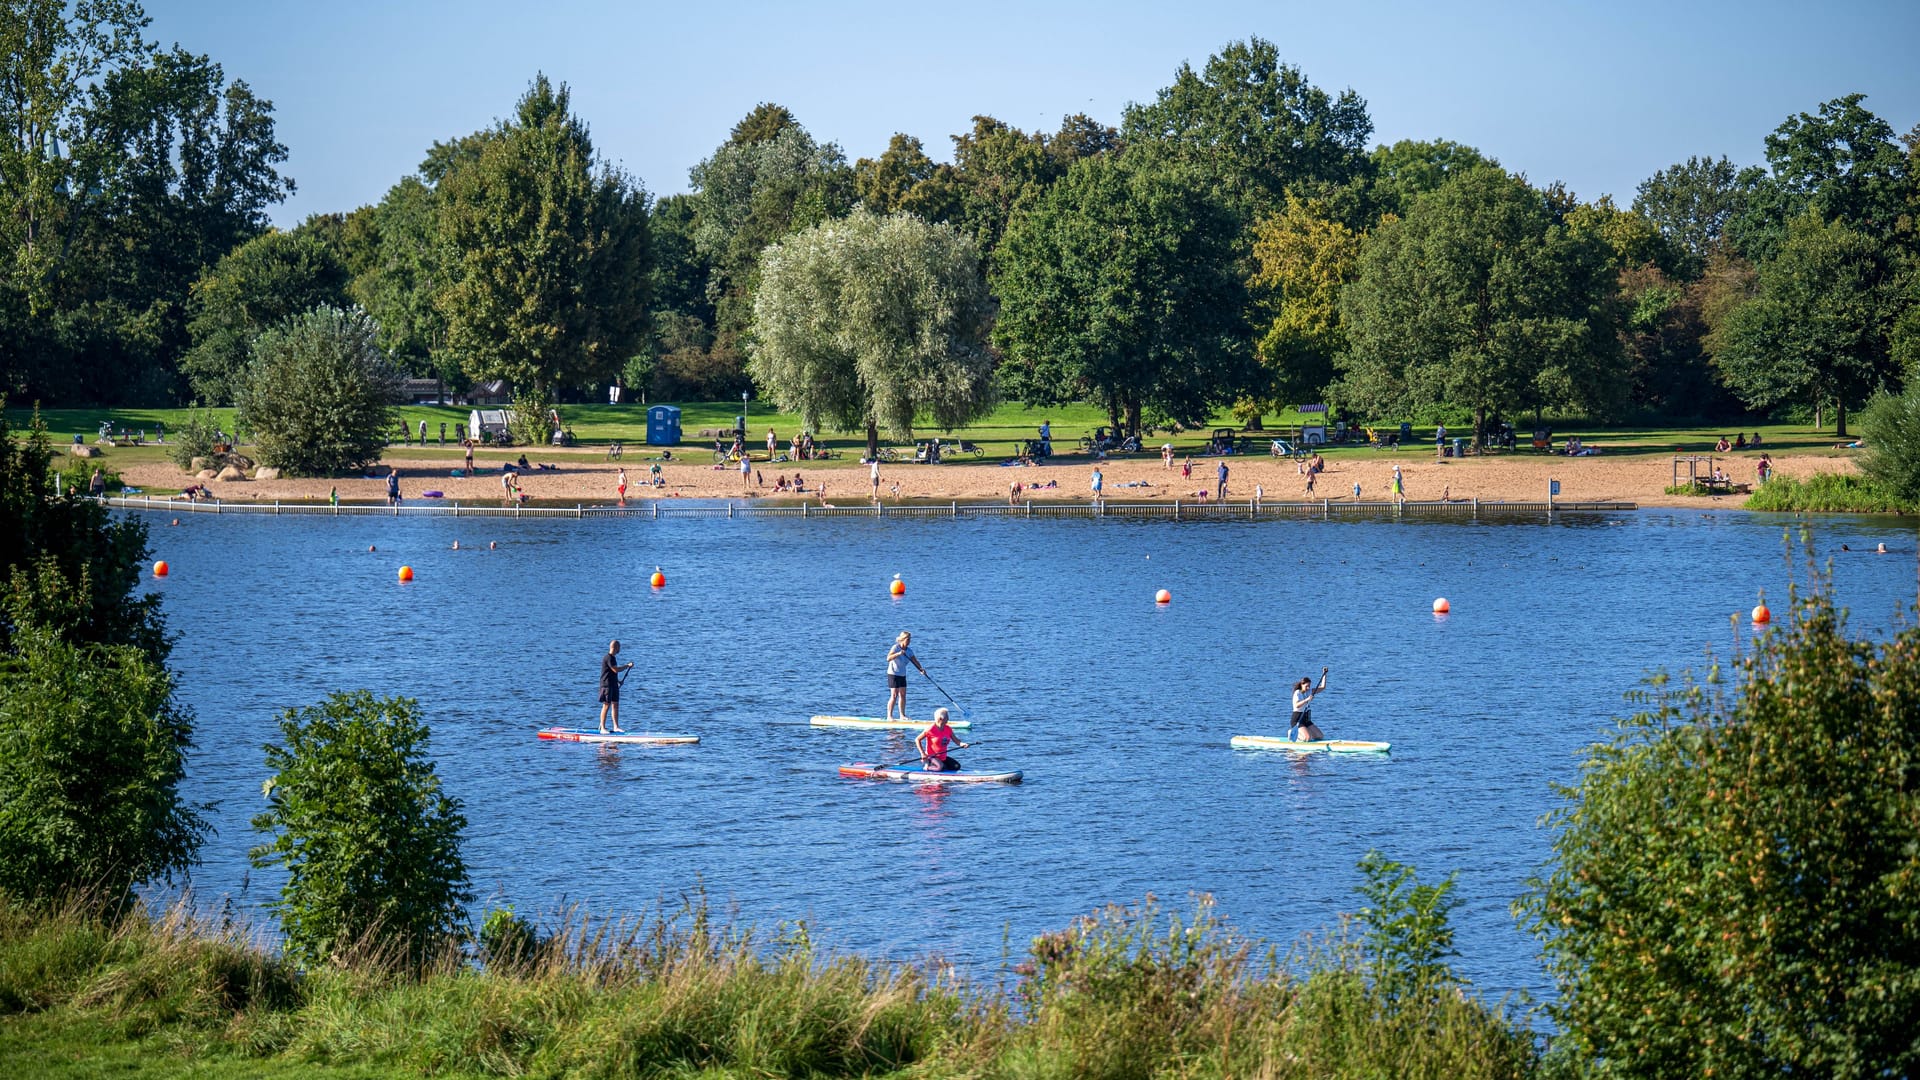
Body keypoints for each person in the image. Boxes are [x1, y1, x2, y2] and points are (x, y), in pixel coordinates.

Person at [886, 631, 927, 721]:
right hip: (893, 674)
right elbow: (888, 658)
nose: (909, 641)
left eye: (910, 640)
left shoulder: (909, 651)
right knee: (894, 695)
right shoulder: (895, 647)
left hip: (902, 674)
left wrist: (921, 669)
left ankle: (902, 715)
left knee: (903, 695)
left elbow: (915, 661)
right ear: (903, 639)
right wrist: (898, 654)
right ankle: (889, 716)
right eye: (908, 639)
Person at [598, 640, 634, 733]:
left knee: (615, 705)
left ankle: (616, 727)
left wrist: (618, 681)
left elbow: (611, 673)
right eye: (619, 648)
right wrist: (627, 666)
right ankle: (602, 728)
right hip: (606, 685)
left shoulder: (613, 658)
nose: (620, 649)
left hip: (613, 684)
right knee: (606, 705)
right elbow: (615, 670)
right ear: (615, 648)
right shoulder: (608, 658)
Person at [917, 708, 968, 772]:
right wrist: (922, 753)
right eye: (947, 717)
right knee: (939, 768)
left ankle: (942, 766)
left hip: (943, 757)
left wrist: (963, 744)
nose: (948, 719)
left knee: (957, 766)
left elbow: (957, 741)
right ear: (941, 719)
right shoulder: (930, 729)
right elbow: (917, 740)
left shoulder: (948, 729)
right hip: (931, 757)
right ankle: (927, 766)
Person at [1290, 667, 1329, 741]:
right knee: (1307, 738)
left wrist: (1324, 674)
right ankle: (1292, 734)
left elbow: (1323, 687)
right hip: (1297, 719)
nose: (1308, 688)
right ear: (1302, 685)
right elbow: (1297, 705)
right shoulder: (1297, 693)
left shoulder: (1309, 691)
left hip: (1306, 719)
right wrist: (1307, 699)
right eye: (1306, 686)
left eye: (1309, 686)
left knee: (1320, 736)